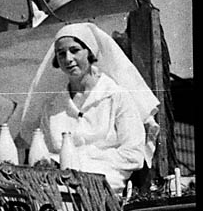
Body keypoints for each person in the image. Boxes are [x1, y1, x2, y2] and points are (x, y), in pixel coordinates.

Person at [19, 22, 159, 195]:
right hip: (59, 188)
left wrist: (80, 162)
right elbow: (45, 156)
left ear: (90, 52)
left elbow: (133, 155)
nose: (68, 59)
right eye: (61, 54)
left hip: (105, 189)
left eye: (75, 50)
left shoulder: (116, 96)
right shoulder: (53, 106)